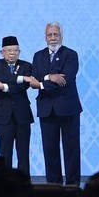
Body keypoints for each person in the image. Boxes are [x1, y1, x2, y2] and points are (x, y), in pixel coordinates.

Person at [31, 22, 82, 186]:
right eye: (49, 35)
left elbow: (66, 79)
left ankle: (72, 186)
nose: (53, 38)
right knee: (50, 150)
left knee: (71, 150)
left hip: (68, 108)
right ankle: (53, 186)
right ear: (45, 36)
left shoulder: (71, 54)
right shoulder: (38, 56)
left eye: (56, 34)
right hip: (47, 109)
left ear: (62, 36)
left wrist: (41, 83)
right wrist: (49, 77)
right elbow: (34, 77)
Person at [0, 36, 36, 176]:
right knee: (4, 152)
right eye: (9, 50)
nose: (12, 53)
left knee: (23, 152)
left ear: (19, 52)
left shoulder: (27, 66)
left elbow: (23, 87)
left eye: (15, 50)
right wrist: (20, 78)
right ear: (2, 52)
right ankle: (5, 183)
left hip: (22, 114)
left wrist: (4, 86)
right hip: (2, 115)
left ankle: (24, 184)